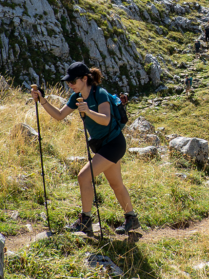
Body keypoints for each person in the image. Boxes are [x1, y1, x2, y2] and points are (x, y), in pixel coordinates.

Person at [32, 61, 140, 236]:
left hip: (114, 143)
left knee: (83, 177)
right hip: (103, 145)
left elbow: (105, 119)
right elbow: (59, 115)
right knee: (116, 184)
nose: (70, 85)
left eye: (73, 82)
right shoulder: (77, 98)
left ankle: (86, 220)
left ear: (84, 79)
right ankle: (131, 218)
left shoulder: (100, 94)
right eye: (68, 82)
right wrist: (42, 100)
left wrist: (88, 111)